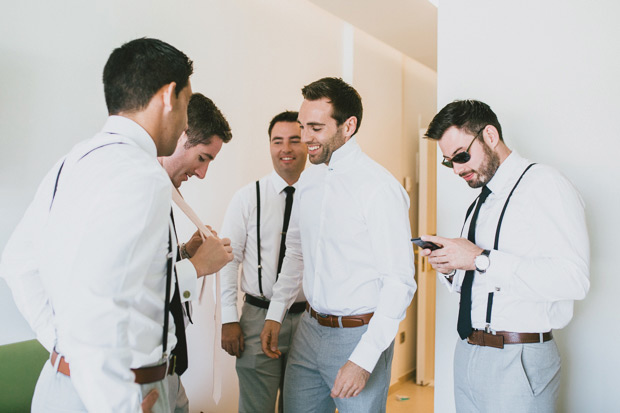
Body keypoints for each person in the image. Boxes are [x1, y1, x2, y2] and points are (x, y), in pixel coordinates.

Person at [0, 38, 232, 413]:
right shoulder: (141, 175)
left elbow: (18, 263)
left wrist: (64, 348)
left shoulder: (72, 161)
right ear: (169, 96)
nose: (188, 121)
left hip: (66, 384)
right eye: (189, 105)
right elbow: (102, 302)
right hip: (121, 394)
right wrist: (118, 404)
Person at [420, 99, 590, 412]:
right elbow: (479, 284)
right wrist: (451, 267)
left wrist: (480, 259)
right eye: (449, 162)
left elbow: (574, 280)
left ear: (490, 136)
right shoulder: (478, 204)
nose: (457, 169)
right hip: (468, 352)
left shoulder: (545, 185)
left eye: (461, 156)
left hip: (519, 356)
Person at [260, 78, 416, 413]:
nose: (305, 138)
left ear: (349, 126)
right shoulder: (309, 179)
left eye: (315, 127)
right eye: (303, 126)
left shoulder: (378, 188)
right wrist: (276, 312)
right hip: (309, 330)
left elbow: (399, 283)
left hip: (358, 336)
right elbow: (297, 253)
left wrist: (363, 360)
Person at [219, 111, 308, 412]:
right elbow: (228, 261)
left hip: (310, 320)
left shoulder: (321, 197)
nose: (286, 149)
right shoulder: (247, 197)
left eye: (295, 140)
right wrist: (229, 318)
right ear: (269, 146)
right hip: (258, 317)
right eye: (277, 141)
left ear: (308, 143)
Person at [159, 92, 233, 413]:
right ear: (181, 136)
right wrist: (198, 267)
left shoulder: (160, 192)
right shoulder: (136, 189)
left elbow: (150, 267)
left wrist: (185, 252)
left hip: (171, 366)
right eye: (203, 158)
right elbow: (130, 287)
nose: (202, 174)